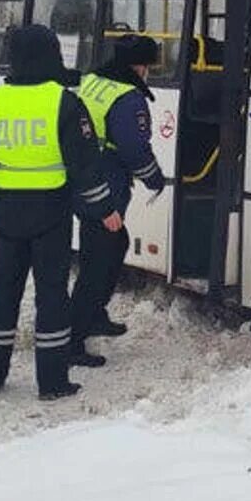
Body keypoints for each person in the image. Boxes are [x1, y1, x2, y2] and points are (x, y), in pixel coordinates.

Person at [0, 24, 118, 401]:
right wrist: (105, 209)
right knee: (52, 297)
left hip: (7, 213)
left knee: (3, 294)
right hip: (51, 215)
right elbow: (85, 165)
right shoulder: (64, 102)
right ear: (53, 55)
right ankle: (52, 382)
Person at [69, 34, 166, 367]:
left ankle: (93, 315)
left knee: (111, 247)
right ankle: (72, 340)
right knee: (99, 262)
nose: (148, 74)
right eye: (148, 67)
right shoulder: (127, 99)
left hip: (86, 181)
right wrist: (155, 178)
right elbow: (133, 149)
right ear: (137, 67)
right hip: (105, 187)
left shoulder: (95, 81)